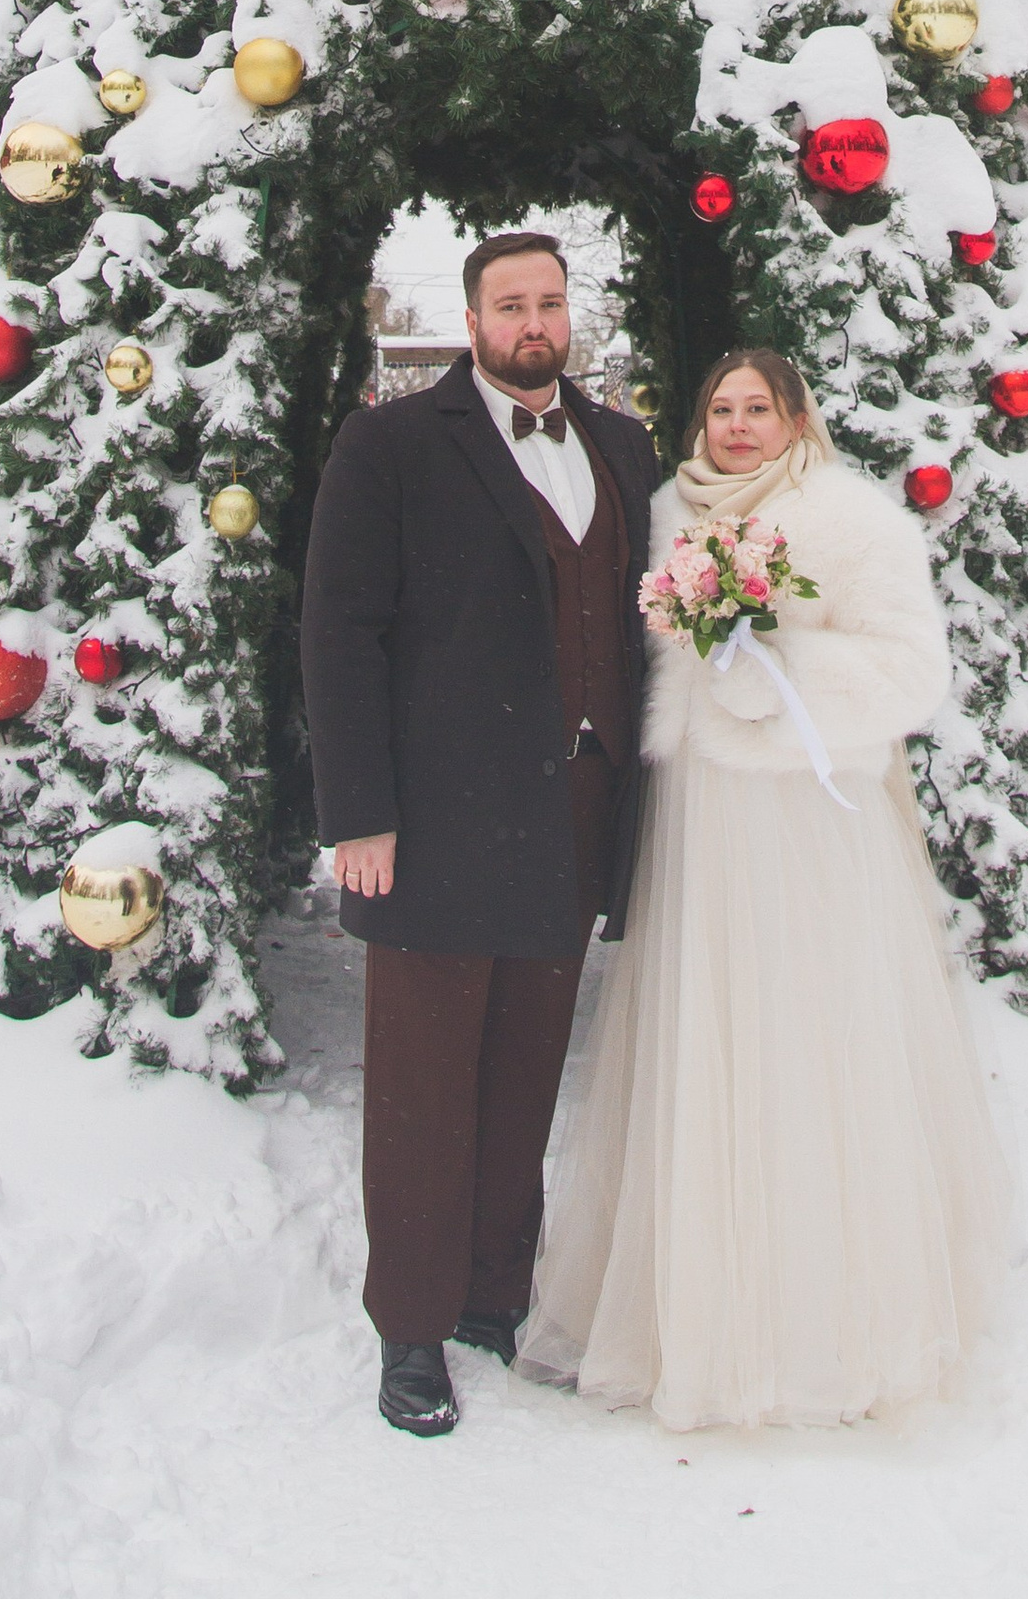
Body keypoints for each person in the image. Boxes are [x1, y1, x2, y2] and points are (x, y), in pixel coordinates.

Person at [520, 346, 1011, 1429]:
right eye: (721, 406)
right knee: (709, 1034)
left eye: (758, 409)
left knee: (808, 1043)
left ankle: (821, 1324)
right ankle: (693, 1313)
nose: (736, 426)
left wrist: (777, 672)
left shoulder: (847, 517)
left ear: (796, 421)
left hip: (804, 814)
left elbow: (908, 668)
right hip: (700, 813)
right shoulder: (662, 516)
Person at [300, 230, 661, 1438]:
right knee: (420, 1081)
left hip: (574, 810)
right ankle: (409, 1324)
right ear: (471, 320)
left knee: (522, 1072)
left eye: (550, 303)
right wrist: (360, 812)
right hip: (437, 821)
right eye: (510, 305)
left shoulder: (620, 445)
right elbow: (337, 631)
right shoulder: (392, 444)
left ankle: (494, 1297)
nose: (533, 324)